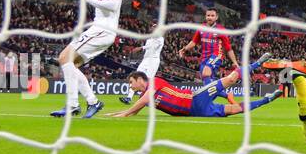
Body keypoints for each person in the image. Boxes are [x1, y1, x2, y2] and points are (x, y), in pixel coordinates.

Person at [52, 0, 125, 119]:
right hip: (100, 29)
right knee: (70, 65)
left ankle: (75, 104)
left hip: (102, 29)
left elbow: (113, 6)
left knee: (64, 57)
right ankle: (90, 102)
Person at [108, 55, 279, 119]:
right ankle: (267, 99)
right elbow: (135, 110)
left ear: (139, 79)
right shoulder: (142, 97)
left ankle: (257, 63)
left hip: (195, 98)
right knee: (235, 110)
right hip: (196, 111)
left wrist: (124, 113)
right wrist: (116, 114)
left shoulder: (154, 82)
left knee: (230, 79)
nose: (131, 86)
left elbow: (143, 101)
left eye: (131, 82)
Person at [178, 7, 238, 83]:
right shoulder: (201, 28)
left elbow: (228, 48)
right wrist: (184, 49)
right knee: (206, 81)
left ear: (216, 17)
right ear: (205, 16)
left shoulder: (221, 30)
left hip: (216, 56)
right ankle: (226, 94)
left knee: (206, 73)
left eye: (212, 16)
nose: (210, 17)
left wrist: (234, 62)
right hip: (204, 57)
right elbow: (193, 42)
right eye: (208, 15)